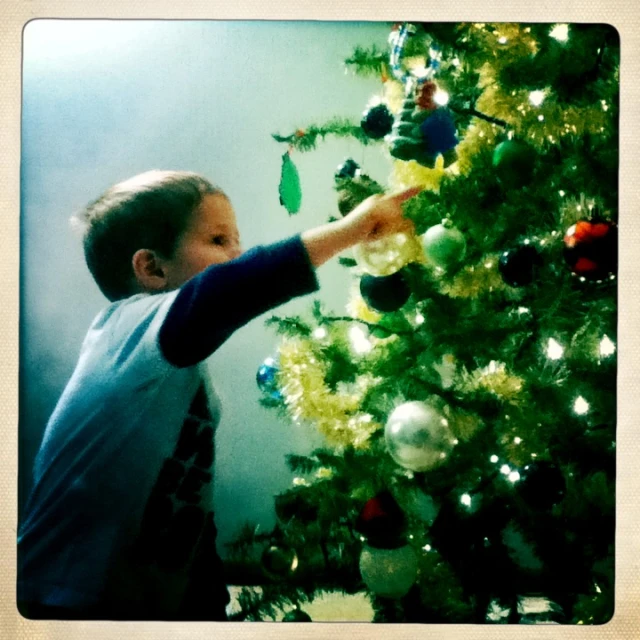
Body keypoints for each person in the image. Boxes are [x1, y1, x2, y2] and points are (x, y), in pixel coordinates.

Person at [17, 169, 420, 621]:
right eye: (218, 240)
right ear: (151, 268)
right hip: (63, 596)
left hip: (143, 600)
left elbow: (189, 502)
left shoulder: (175, 371)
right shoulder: (126, 332)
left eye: (236, 241)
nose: (237, 254)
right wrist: (351, 230)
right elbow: (228, 290)